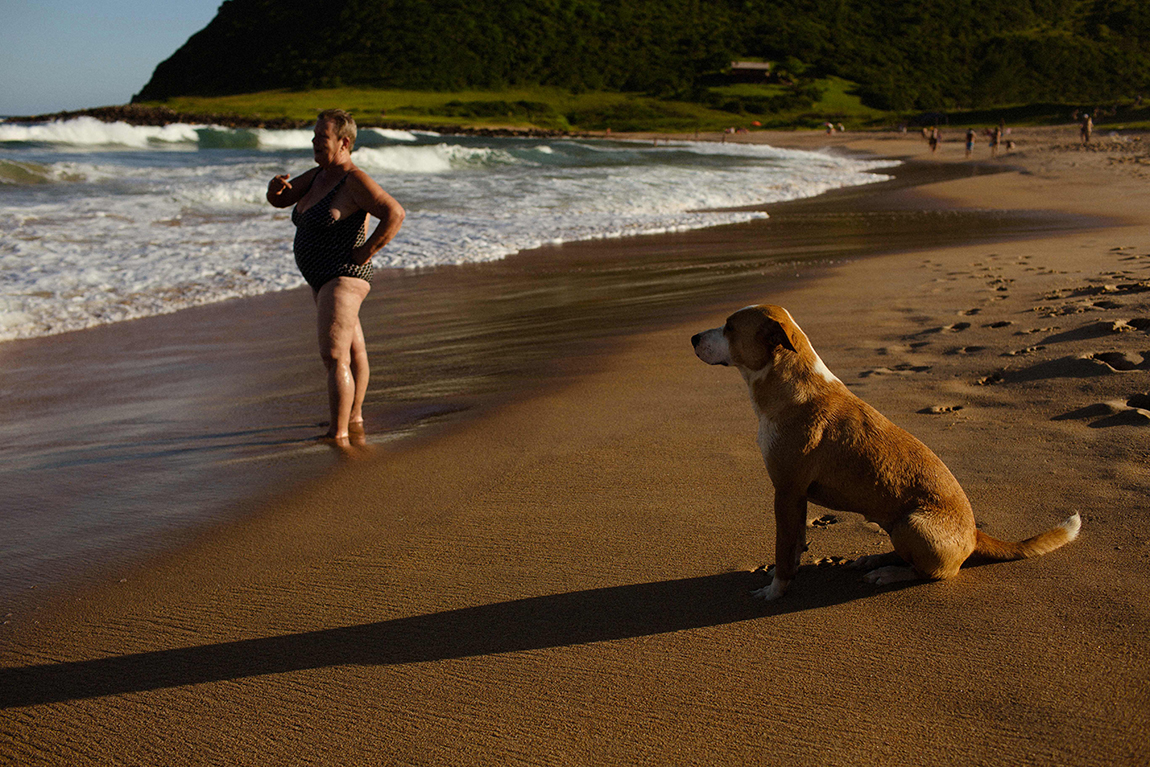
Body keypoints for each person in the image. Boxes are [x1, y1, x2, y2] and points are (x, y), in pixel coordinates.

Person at [267, 109, 406, 445]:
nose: (314, 143)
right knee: (353, 351)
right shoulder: (317, 176)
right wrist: (274, 190)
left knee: (333, 355)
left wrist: (368, 250)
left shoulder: (353, 180)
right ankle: (353, 415)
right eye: (313, 137)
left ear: (344, 142)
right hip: (323, 278)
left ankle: (338, 433)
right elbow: (282, 200)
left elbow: (394, 212)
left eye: (321, 138)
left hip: (343, 276)